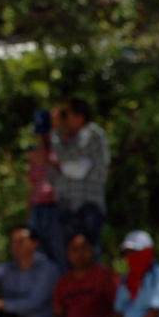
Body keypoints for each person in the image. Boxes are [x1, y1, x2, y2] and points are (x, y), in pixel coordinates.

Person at [50, 98, 110, 267]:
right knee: (68, 261)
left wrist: (54, 132)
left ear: (80, 116)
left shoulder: (93, 134)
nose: (63, 119)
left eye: (66, 114)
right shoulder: (67, 140)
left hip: (88, 206)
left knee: (91, 257)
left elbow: (66, 157)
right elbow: (53, 176)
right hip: (67, 206)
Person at [26, 110, 62, 266]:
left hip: (56, 209)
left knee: (59, 253)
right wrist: (29, 215)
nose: (43, 137)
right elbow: (31, 186)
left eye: (46, 132)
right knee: (40, 257)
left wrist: (49, 161)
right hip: (37, 210)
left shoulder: (61, 151)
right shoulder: (34, 155)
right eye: (40, 133)